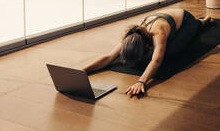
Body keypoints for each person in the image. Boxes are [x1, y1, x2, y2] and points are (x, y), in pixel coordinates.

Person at [83, 9, 212, 96]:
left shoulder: (158, 32)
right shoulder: (132, 36)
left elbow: (156, 60)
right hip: (168, 19)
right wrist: (84, 70)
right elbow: (109, 57)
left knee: (169, 53)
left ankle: (200, 23)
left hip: (186, 21)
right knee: (161, 50)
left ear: (146, 45)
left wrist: (141, 81)